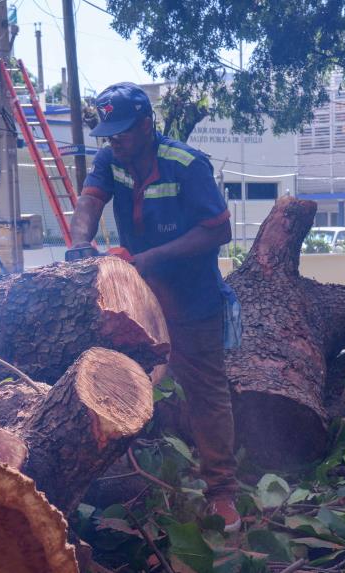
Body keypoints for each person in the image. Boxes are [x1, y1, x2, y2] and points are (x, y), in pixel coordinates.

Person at [68, 82, 241, 530]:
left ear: (147, 126)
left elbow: (217, 232)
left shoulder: (187, 165)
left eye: (123, 131)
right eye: (109, 132)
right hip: (136, 304)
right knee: (121, 387)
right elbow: (89, 200)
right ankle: (130, 480)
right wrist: (80, 242)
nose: (114, 140)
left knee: (206, 394)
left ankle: (222, 493)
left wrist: (145, 259)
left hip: (192, 299)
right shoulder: (110, 160)